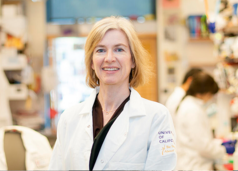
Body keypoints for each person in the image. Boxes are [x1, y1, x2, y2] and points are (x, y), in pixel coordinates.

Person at [48, 16, 177, 170]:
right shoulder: (70, 119)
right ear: (91, 61)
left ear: (133, 60)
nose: (109, 58)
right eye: (101, 50)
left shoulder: (157, 118)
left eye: (119, 49)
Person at [175, 72, 226, 170]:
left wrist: (218, 144)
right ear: (200, 94)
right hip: (195, 166)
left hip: (191, 164)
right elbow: (204, 147)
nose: (211, 98)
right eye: (210, 94)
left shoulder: (189, 105)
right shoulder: (192, 110)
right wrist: (223, 150)